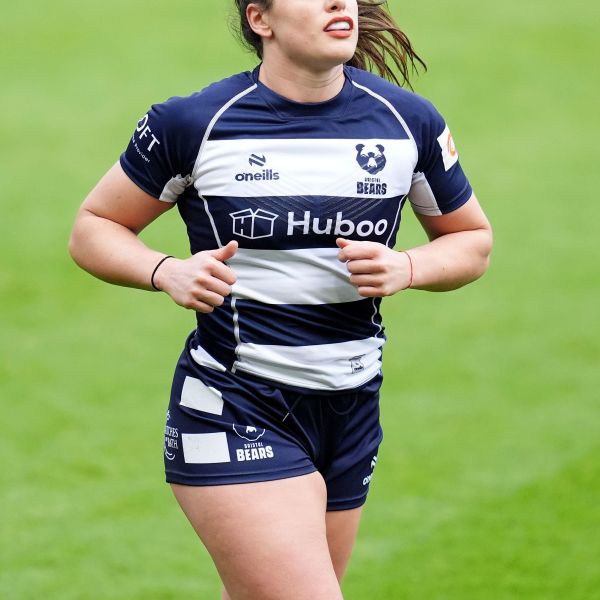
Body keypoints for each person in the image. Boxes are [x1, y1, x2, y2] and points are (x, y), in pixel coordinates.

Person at [69, 0, 492, 598]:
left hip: (350, 407)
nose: (339, 2)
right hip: (236, 402)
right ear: (260, 19)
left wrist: (410, 266)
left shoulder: (407, 122)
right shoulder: (194, 123)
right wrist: (164, 271)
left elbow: (472, 240)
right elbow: (94, 226)